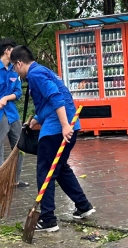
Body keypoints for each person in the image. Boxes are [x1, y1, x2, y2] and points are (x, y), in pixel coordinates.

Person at [10, 45, 94, 232]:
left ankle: (48, 219)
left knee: (45, 172)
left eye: (14, 68)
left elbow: (56, 97)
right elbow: (51, 100)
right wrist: (37, 119)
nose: (16, 72)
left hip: (58, 130)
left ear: (19, 63)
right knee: (60, 169)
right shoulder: (43, 71)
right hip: (69, 126)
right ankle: (83, 206)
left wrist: (64, 125)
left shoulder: (35, 75)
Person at [0, 38, 26, 186]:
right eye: (13, 49)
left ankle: (15, 180)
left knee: (20, 147)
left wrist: (6, 97)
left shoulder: (15, 70)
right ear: (7, 51)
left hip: (12, 114)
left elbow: (18, 93)